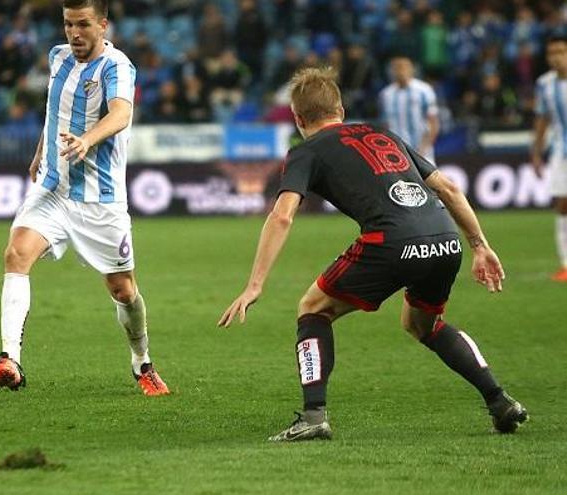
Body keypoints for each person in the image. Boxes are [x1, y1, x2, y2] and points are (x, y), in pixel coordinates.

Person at [218, 67, 526, 441]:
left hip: (391, 242)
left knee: (313, 309)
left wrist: (254, 285)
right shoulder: (383, 133)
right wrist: (480, 245)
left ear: (298, 118)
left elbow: (282, 216)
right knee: (421, 324)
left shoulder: (305, 152)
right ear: (341, 110)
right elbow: (447, 187)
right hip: (445, 238)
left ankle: (314, 416)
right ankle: (500, 401)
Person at [0, 0, 169, 396]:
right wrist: (41, 151)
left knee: (123, 290)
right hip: (54, 188)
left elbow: (121, 113)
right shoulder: (57, 57)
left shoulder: (117, 66)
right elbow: (55, 110)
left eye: (83, 24)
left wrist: (87, 139)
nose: (74, 33)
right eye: (68, 24)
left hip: (100, 200)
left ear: (103, 24)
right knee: (16, 254)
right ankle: (9, 359)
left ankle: (143, 363)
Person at [531, 35, 567, 282]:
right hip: (561, 152)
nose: (556, 57)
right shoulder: (544, 84)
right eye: (552, 52)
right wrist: (536, 152)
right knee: (563, 205)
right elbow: (542, 120)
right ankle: (566, 264)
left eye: (561, 51)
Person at [378, 55, 439, 163]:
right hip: (397, 154)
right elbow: (384, 126)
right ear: (391, 70)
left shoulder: (424, 91)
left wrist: (424, 148)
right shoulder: (385, 95)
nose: (401, 70)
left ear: (412, 69)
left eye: (404, 66)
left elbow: (433, 123)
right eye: (397, 67)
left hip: (422, 152)